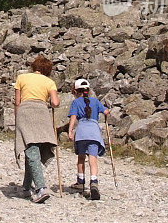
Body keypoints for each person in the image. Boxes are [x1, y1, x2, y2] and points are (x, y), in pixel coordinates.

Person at [13, 55, 60, 203]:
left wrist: (17, 118)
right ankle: (27, 187)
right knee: (34, 148)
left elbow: (17, 102)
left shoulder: (22, 78)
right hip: (41, 112)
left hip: (25, 111)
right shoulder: (49, 82)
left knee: (31, 148)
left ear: (34, 66)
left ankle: (40, 188)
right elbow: (55, 102)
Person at [67, 78, 109, 201]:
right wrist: (106, 113)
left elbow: (73, 117)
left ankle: (80, 182)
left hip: (81, 132)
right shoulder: (95, 101)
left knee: (81, 157)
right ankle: (94, 182)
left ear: (75, 91)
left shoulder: (75, 103)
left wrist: (70, 131)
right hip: (94, 132)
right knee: (93, 158)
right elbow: (106, 111)